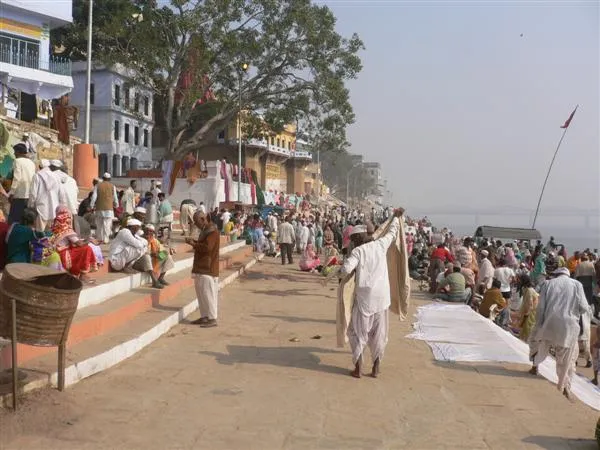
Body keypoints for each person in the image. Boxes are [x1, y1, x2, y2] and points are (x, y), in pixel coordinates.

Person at [340, 208, 403, 379]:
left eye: (354, 239)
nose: (353, 242)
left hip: (365, 299)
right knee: (379, 334)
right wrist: (396, 218)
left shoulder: (358, 252)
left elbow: (346, 269)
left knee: (357, 332)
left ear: (358, 238)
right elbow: (392, 232)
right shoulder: (380, 245)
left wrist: (343, 271)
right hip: (382, 298)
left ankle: (358, 368)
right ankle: (376, 368)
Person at [528, 267, 590, 400]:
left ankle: (535, 367)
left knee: (539, 344)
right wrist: (573, 311)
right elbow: (584, 307)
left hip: (549, 324)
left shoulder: (548, 284)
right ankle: (564, 385)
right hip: (569, 326)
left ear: (556, 275)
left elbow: (541, 308)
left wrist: (539, 325)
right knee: (567, 358)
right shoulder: (577, 285)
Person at [186, 211, 220, 328]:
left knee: (208, 295)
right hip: (201, 268)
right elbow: (204, 245)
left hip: (208, 269)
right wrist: (194, 243)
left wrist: (194, 244)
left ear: (202, 219)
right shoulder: (206, 230)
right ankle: (205, 316)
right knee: (201, 295)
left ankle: (212, 318)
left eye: (196, 222)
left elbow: (207, 248)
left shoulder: (212, 231)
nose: (196, 225)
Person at [109, 218, 164, 289]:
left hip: (150, 261)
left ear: (153, 233)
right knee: (141, 250)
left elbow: (165, 253)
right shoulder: (125, 232)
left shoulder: (155, 241)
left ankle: (160, 278)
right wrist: (151, 253)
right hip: (117, 260)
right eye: (147, 230)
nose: (148, 233)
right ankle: (154, 280)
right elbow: (138, 245)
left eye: (151, 231)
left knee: (165, 257)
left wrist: (158, 255)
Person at [50, 205, 99, 284]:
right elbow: (79, 243)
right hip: (63, 255)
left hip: (56, 252)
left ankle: (77, 274)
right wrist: (90, 240)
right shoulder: (66, 229)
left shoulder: (54, 225)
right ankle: (83, 275)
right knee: (87, 249)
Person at [7, 143, 36, 225]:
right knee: (24, 220)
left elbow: (17, 178)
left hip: (19, 195)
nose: (14, 154)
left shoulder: (17, 161)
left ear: (18, 152)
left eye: (15, 151)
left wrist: (11, 193)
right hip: (28, 195)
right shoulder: (31, 163)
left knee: (14, 220)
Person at [28, 159, 60, 231]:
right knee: (50, 233)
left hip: (41, 209)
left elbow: (33, 194)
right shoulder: (56, 176)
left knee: (39, 232)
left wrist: (30, 206)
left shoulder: (37, 176)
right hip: (54, 209)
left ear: (40, 166)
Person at [91, 172, 118, 244]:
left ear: (103, 178)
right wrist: (116, 204)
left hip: (99, 208)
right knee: (107, 224)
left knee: (99, 224)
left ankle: (99, 238)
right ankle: (106, 239)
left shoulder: (97, 185)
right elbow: (115, 197)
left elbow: (94, 196)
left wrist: (91, 205)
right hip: (109, 209)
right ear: (109, 179)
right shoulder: (113, 186)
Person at [518, 274, 539, 342]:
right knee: (525, 327)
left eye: (520, 280)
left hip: (530, 312)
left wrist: (526, 313)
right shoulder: (527, 289)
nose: (519, 281)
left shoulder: (529, 290)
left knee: (527, 327)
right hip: (530, 311)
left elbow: (530, 304)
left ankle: (525, 342)